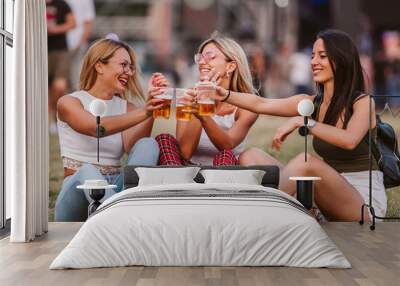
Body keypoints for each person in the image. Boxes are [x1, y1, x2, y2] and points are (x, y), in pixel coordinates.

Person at [208, 29, 387, 222]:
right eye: (312, 56)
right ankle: (295, 210)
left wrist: (305, 122)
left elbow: (350, 140)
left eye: (322, 56)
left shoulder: (362, 102)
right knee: (250, 155)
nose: (313, 62)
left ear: (341, 60)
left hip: (362, 201)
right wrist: (225, 95)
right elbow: (262, 104)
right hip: (326, 195)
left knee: (305, 162)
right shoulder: (312, 103)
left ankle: (258, 215)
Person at [55, 38, 169, 221]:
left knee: (148, 144)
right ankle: (120, 221)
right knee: (88, 171)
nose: (129, 72)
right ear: (99, 66)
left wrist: (153, 108)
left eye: (131, 67)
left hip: (116, 190)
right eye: (123, 65)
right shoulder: (69, 102)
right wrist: (144, 111)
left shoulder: (128, 108)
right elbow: (96, 129)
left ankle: (120, 213)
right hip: (77, 195)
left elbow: (133, 148)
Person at [155, 33, 258, 166]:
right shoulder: (188, 95)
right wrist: (201, 99)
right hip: (189, 172)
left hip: (223, 173)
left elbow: (227, 145)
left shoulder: (246, 106)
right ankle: (178, 184)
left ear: (230, 66)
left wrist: (203, 115)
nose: (202, 62)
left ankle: (211, 187)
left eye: (210, 57)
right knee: (164, 139)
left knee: (225, 155)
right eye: (200, 58)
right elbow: (185, 153)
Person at [46, 0, 76, 133]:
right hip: (42, 50)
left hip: (60, 50)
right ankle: (50, 121)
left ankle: (58, 119)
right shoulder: (35, 4)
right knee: (46, 89)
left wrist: (55, 30)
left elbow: (72, 23)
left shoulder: (62, 4)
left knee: (59, 86)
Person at [65, 0, 96, 91]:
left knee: (75, 75)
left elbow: (88, 22)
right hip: (61, 44)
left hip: (76, 43)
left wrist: (82, 41)